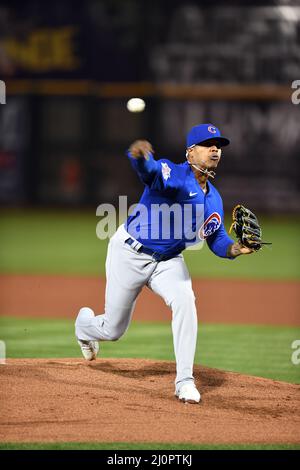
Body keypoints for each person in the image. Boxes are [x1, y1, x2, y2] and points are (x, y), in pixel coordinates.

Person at [75, 123, 254, 404]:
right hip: (129, 253)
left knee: (186, 301)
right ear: (191, 153)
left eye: (218, 145)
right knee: (113, 330)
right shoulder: (175, 174)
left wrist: (235, 248)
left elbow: (216, 238)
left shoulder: (213, 199)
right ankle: (84, 326)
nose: (215, 149)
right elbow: (151, 172)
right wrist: (140, 157)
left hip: (168, 261)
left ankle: (184, 381)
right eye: (208, 144)